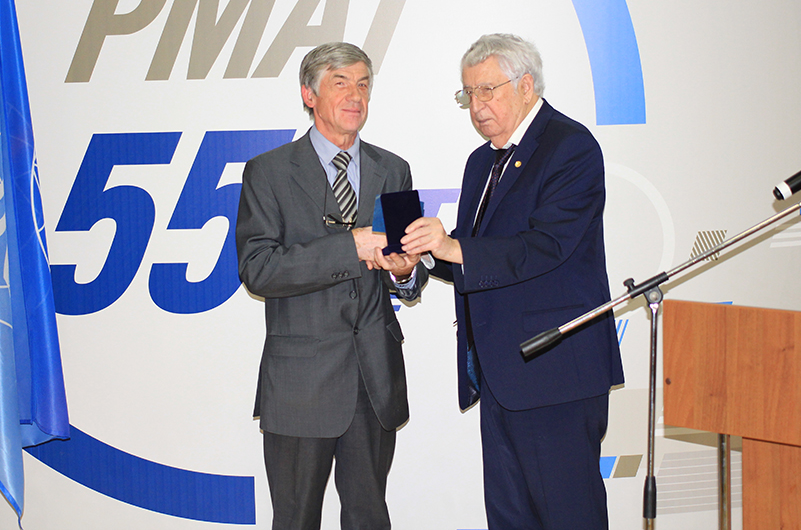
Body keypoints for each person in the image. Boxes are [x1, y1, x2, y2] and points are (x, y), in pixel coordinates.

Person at [401, 34, 624, 530]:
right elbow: (475, 255)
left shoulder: (570, 147)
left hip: (555, 372)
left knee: (569, 517)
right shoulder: (482, 161)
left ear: (526, 86)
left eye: (487, 91)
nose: (477, 106)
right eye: (468, 94)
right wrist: (422, 255)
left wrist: (452, 247)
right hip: (500, 375)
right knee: (509, 519)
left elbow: (545, 246)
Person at [236, 42, 424, 530]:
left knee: (369, 517)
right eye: (340, 83)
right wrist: (350, 247)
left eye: (363, 84)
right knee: (296, 519)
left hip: (373, 378)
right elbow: (258, 269)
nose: (355, 95)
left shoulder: (393, 169)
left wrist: (404, 271)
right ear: (309, 94)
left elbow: (408, 270)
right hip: (300, 383)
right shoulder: (269, 172)